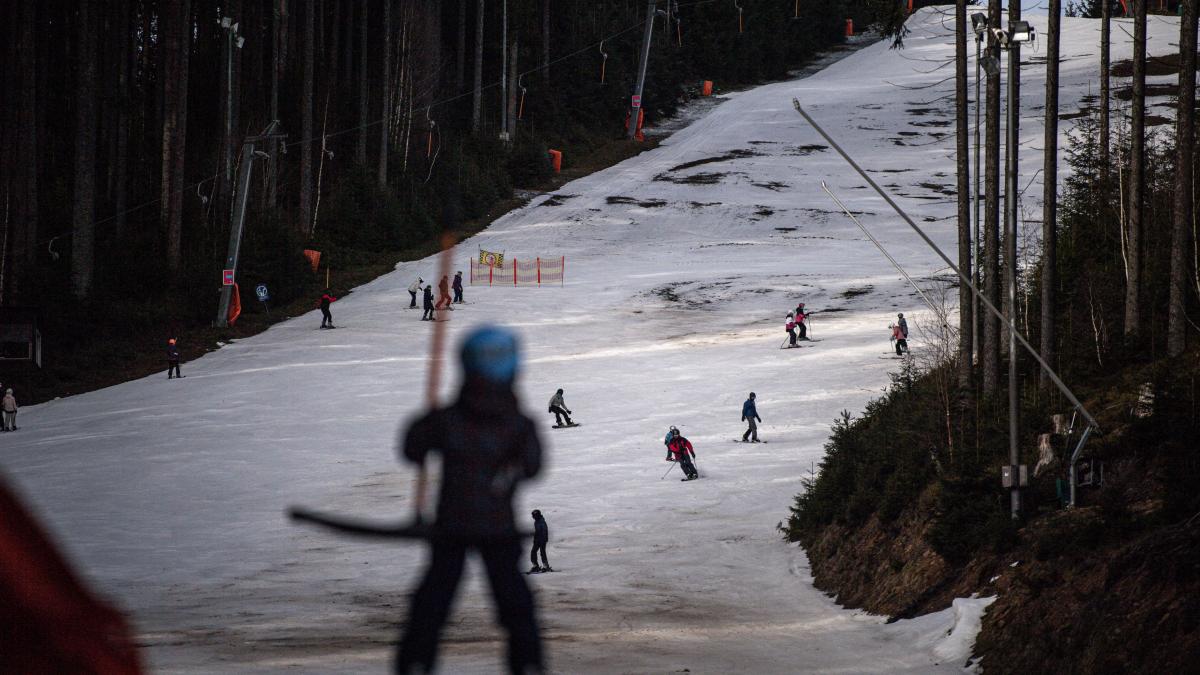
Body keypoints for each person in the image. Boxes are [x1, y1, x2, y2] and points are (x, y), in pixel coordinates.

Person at [396, 326, 544, 675]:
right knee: (515, 603)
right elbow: (534, 467)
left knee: (433, 599)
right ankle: (528, 665)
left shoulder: (448, 419)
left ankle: (415, 663)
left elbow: (412, 449)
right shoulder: (518, 423)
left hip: (452, 524)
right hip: (498, 527)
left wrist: (426, 424)